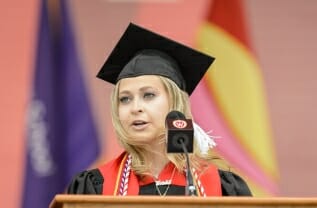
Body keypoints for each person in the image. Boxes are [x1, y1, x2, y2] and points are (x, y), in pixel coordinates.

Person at [67, 23, 251, 197]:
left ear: (175, 105)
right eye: (125, 99)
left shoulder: (220, 187)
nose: (135, 108)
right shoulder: (95, 187)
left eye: (148, 95)